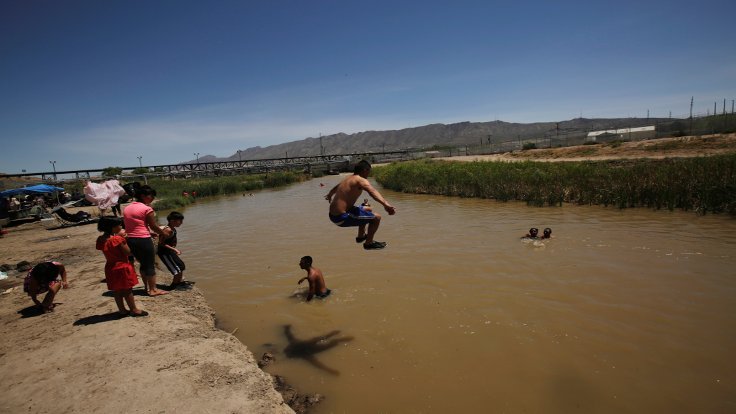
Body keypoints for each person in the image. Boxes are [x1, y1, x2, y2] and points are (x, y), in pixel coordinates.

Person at [325, 160, 396, 250]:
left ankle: (361, 237)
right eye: (369, 172)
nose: (368, 174)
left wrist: (330, 194)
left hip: (334, 215)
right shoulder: (361, 180)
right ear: (365, 170)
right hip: (341, 217)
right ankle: (368, 243)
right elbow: (372, 191)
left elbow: (336, 187)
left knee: (367, 208)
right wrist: (386, 205)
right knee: (377, 218)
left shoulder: (348, 178)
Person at [96, 217, 148, 317]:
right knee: (128, 289)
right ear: (112, 227)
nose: (121, 226)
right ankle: (134, 309)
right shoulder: (117, 239)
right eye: (119, 225)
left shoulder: (100, 239)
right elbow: (128, 253)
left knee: (117, 290)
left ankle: (122, 310)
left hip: (110, 266)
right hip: (122, 266)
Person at [122, 184, 168, 296]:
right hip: (143, 240)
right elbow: (153, 226)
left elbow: (135, 225)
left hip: (131, 239)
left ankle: (147, 288)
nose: (152, 198)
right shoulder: (147, 208)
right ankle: (153, 290)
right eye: (151, 196)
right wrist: (163, 233)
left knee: (143, 264)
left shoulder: (127, 207)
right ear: (143, 196)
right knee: (150, 265)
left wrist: (149, 232)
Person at [157, 211, 191, 290]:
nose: (181, 223)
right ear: (172, 221)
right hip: (164, 253)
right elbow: (161, 243)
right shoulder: (168, 230)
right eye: (180, 221)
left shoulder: (173, 229)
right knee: (177, 269)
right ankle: (174, 286)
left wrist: (173, 249)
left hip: (169, 251)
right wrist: (174, 249)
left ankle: (178, 282)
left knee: (181, 265)